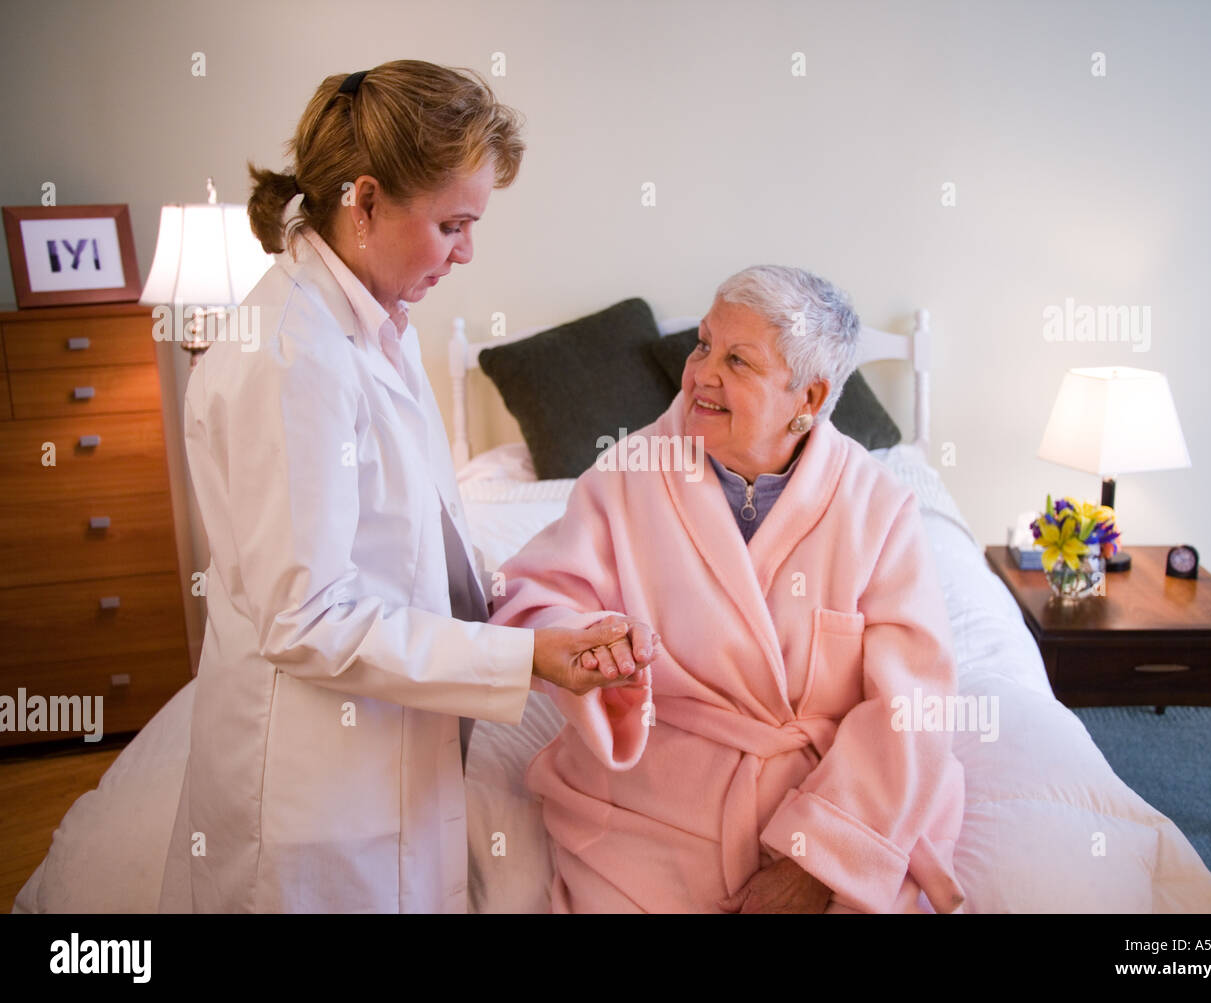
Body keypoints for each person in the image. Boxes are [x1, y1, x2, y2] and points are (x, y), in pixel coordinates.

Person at [159, 60, 654, 914]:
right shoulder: (294, 356)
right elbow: (308, 616)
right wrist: (523, 656)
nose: (468, 251)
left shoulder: (377, 322)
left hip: (389, 751)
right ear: (365, 201)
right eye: (454, 223)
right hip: (317, 792)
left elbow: (419, 540)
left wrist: (532, 622)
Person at [491, 265, 967, 913]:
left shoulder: (877, 507)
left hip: (827, 804)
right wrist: (587, 641)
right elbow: (528, 601)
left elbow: (912, 705)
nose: (700, 373)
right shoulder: (629, 475)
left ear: (808, 397)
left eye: (737, 360)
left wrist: (816, 866)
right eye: (702, 344)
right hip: (649, 807)